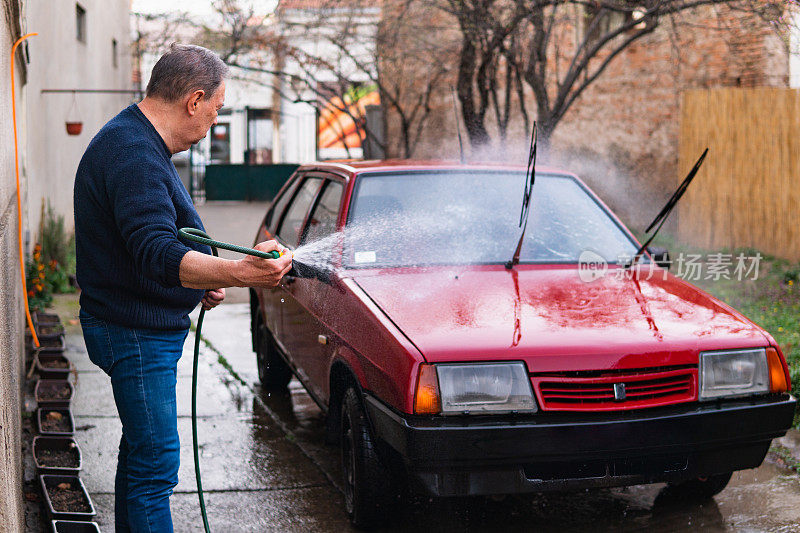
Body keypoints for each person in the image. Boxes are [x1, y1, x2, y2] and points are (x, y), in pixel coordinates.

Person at [73, 43, 292, 532]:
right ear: (193, 100)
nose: (214, 122)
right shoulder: (134, 154)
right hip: (134, 333)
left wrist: (202, 279)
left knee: (140, 458)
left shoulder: (137, 141)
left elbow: (163, 242)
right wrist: (237, 274)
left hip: (135, 327)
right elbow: (156, 253)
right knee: (155, 469)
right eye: (215, 110)